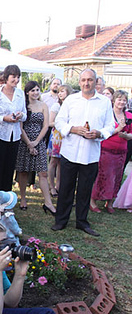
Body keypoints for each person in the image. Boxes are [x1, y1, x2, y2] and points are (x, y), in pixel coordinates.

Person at [52, 69, 114, 237]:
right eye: (84, 80)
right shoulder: (71, 100)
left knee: (85, 188)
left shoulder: (104, 102)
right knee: (65, 187)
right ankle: (61, 220)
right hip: (70, 151)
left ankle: (82, 221)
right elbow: (59, 120)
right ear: (79, 82)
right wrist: (72, 129)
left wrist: (99, 133)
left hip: (91, 153)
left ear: (96, 82)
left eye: (90, 80)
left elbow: (110, 125)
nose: (87, 83)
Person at [0, 65, 27, 206]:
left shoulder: (20, 94)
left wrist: (20, 115)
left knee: (9, 171)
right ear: (6, 77)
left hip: (14, 136)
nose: (16, 80)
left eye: (17, 77)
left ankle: (5, 203)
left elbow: (25, 115)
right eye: (13, 76)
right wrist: (4, 118)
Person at [15, 81, 55, 214]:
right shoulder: (23, 106)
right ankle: (23, 198)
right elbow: (20, 127)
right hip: (24, 141)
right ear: (27, 92)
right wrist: (29, 143)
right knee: (23, 171)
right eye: (32, 90)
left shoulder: (44, 105)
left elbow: (46, 125)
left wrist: (36, 142)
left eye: (37, 90)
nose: (36, 93)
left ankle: (48, 203)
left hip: (39, 142)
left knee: (43, 172)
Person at [89, 90, 132, 214]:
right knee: (103, 176)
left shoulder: (129, 116)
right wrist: (117, 129)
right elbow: (102, 132)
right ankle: (93, 201)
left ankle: (110, 202)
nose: (121, 102)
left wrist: (128, 136)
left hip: (122, 150)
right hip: (106, 149)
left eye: (124, 100)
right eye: (119, 99)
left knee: (117, 177)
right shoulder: (107, 114)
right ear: (113, 100)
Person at [47, 85, 74, 198]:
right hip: (57, 136)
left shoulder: (72, 106)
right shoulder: (56, 106)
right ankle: (52, 187)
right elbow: (50, 122)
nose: (60, 94)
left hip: (67, 136)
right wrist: (63, 125)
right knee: (53, 161)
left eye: (63, 91)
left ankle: (59, 186)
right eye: (59, 92)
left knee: (61, 163)